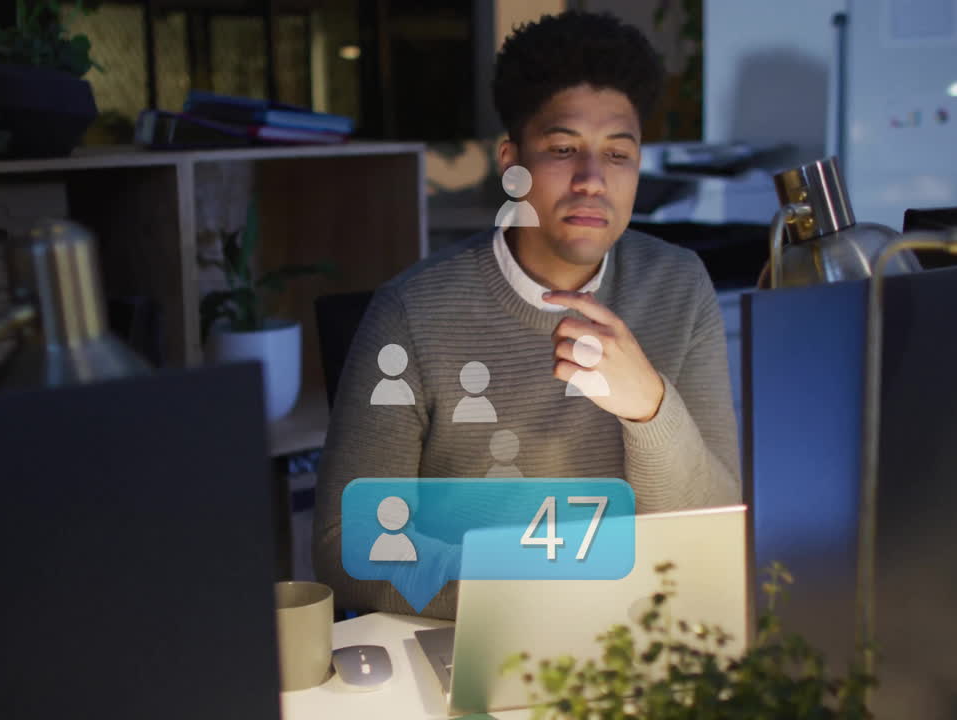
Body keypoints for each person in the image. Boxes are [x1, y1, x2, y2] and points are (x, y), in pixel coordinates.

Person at [314, 10, 741, 618]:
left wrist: (649, 405)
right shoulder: (412, 311)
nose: (593, 180)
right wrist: (528, 605)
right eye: (564, 149)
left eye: (618, 154)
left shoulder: (678, 284)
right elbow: (345, 544)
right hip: (470, 642)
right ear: (512, 160)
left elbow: (716, 525)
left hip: (633, 639)